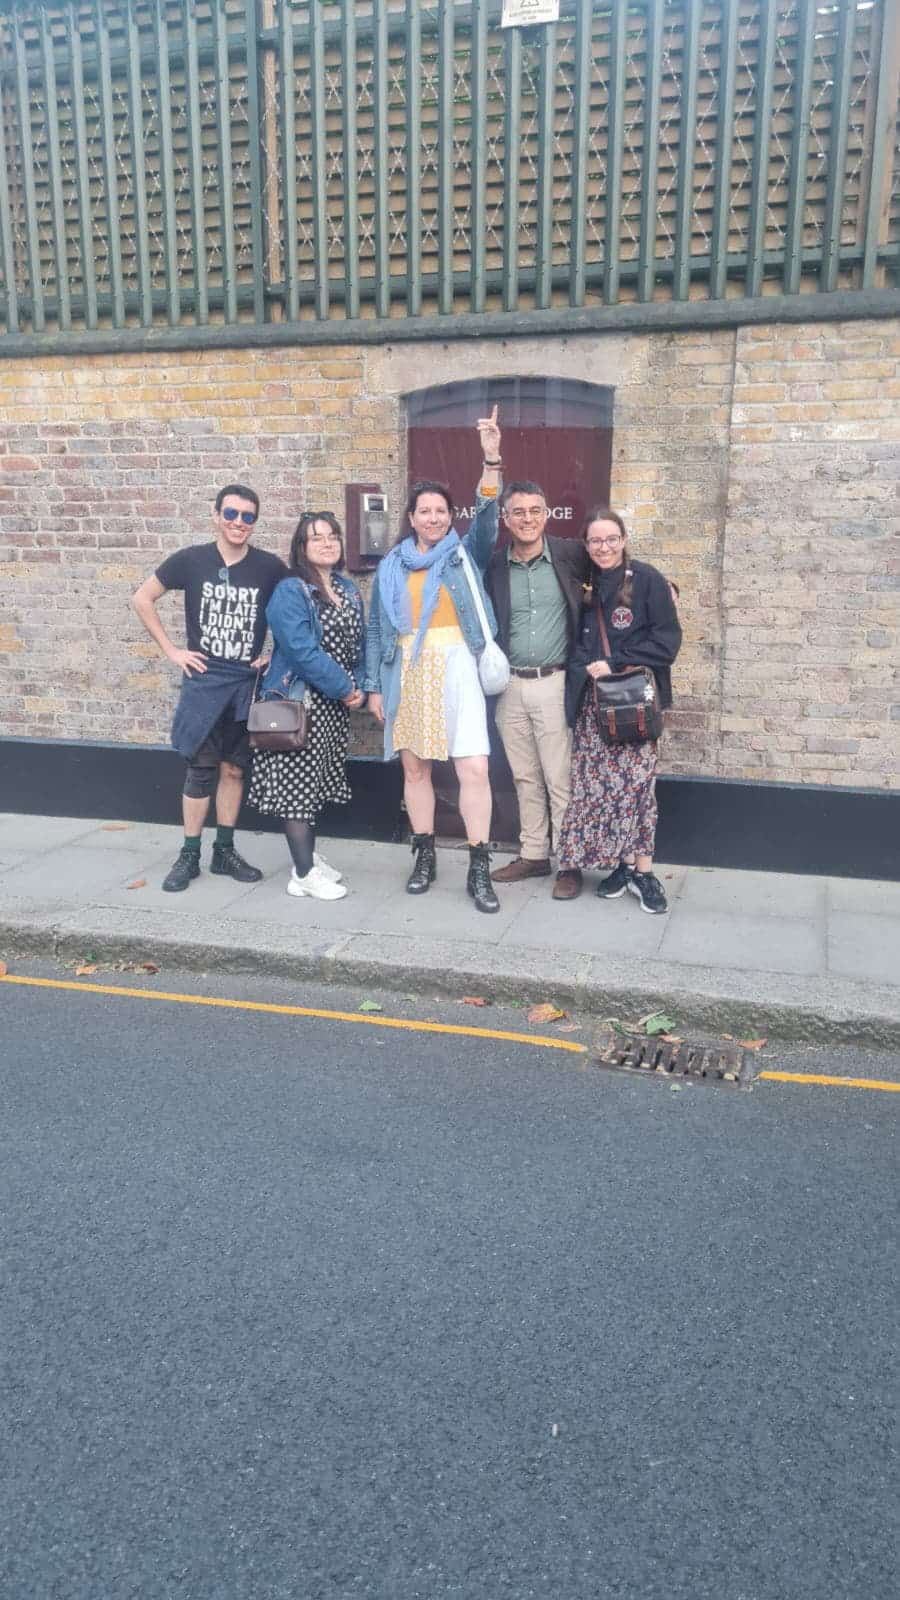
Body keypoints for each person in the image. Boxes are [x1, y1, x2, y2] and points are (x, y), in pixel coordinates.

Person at [363, 409, 503, 913]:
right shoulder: (391, 567)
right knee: (416, 768)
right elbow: (377, 629)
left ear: (449, 516)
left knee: (474, 768)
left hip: (459, 667)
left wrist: (491, 459)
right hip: (409, 669)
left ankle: (479, 866)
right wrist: (374, 686)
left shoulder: (465, 554)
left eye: (441, 510)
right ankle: (424, 856)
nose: (433, 518)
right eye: (424, 511)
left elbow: (487, 516)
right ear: (411, 517)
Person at [132, 484, 288, 892]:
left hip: (245, 683)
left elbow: (297, 610)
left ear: (255, 522)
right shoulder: (191, 560)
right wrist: (172, 651)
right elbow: (143, 599)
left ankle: (224, 851)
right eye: (231, 513)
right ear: (217, 515)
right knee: (200, 771)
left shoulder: (269, 567)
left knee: (234, 769)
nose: (239, 522)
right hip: (203, 681)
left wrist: (276, 655)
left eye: (248, 516)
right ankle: (189, 854)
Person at [557, 508, 682, 914]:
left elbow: (667, 643)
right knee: (604, 792)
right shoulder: (585, 583)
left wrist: (615, 661)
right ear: (586, 545)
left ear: (624, 539)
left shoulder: (647, 580)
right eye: (595, 540)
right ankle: (624, 867)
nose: (604, 547)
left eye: (611, 538)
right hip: (592, 708)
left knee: (639, 790)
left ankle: (644, 872)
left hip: (633, 706)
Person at [248, 512, 366, 901]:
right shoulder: (290, 591)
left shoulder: (346, 588)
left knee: (313, 786)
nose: (327, 543)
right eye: (317, 538)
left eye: (333, 536)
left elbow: (358, 644)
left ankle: (308, 859)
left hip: (332, 706)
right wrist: (345, 688)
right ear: (302, 547)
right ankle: (302, 874)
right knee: (298, 788)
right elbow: (301, 651)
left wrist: (359, 685)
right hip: (300, 704)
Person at [485, 467, 590, 900]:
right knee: (525, 777)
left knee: (560, 778)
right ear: (506, 519)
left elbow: (612, 569)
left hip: (554, 682)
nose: (527, 519)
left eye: (535, 511)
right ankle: (533, 853)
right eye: (518, 512)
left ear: (546, 514)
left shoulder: (569, 554)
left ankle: (569, 861)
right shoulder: (495, 565)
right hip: (509, 686)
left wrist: (659, 589)